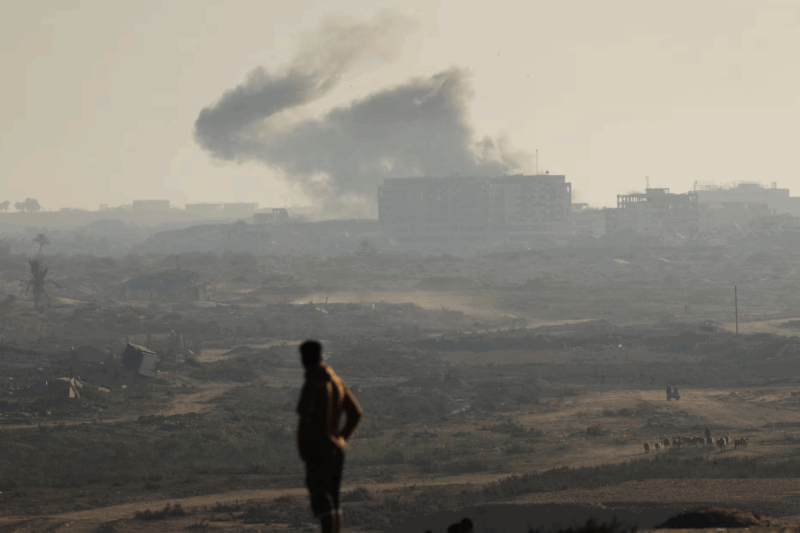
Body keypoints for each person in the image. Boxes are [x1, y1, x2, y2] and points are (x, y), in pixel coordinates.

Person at [297, 340, 363, 533]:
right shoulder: (335, 380)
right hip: (334, 450)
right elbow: (355, 413)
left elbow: (309, 421)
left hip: (319, 451)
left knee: (322, 502)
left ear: (306, 358)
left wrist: (316, 444)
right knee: (333, 500)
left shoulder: (315, 383)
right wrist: (341, 440)